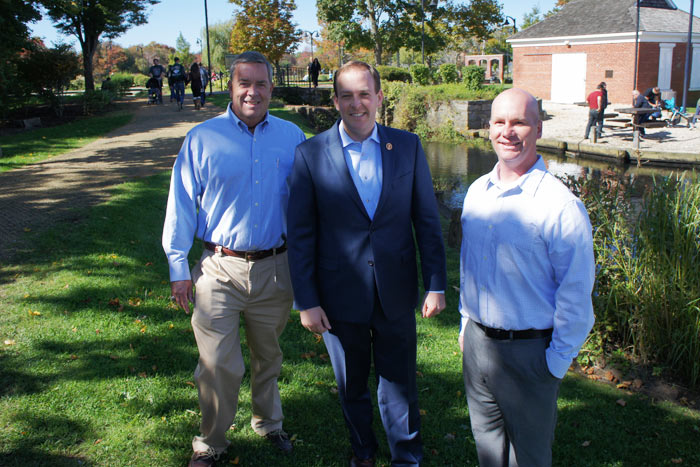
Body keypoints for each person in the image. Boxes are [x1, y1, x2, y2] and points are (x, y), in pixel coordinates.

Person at [287, 60, 447, 467]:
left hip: (395, 290)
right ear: (335, 100)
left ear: (378, 97)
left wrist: (436, 283)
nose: (356, 104)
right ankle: (363, 453)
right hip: (339, 297)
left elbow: (426, 220)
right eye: (346, 95)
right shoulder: (309, 154)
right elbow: (301, 235)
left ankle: (406, 458)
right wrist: (307, 301)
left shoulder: (406, 146)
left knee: (400, 385)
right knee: (351, 385)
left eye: (364, 94)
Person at [162, 51, 306, 467]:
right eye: (245, 83)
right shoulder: (202, 138)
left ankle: (268, 422)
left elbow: (306, 204)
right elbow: (181, 205)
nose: (252, 92)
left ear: (271, 88)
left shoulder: (292, 137)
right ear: (230, 86)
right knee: (217, 363)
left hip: (275, 268)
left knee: (268, 355)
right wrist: (178, 269)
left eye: (261, 84)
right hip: (218, 268)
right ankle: (211, 443)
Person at [458, 88, 595, 467]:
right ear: (488, 129)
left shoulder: (560, 205)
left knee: (530, 458)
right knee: (488, 450)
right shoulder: (476, 193)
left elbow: (577, 294)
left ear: (537, 128)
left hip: (531, 355)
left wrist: (554, 363)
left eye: (519, 121)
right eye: (500, 122)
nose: (508, 132)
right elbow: (470, 268)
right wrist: (466, 326)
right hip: (478, 347)